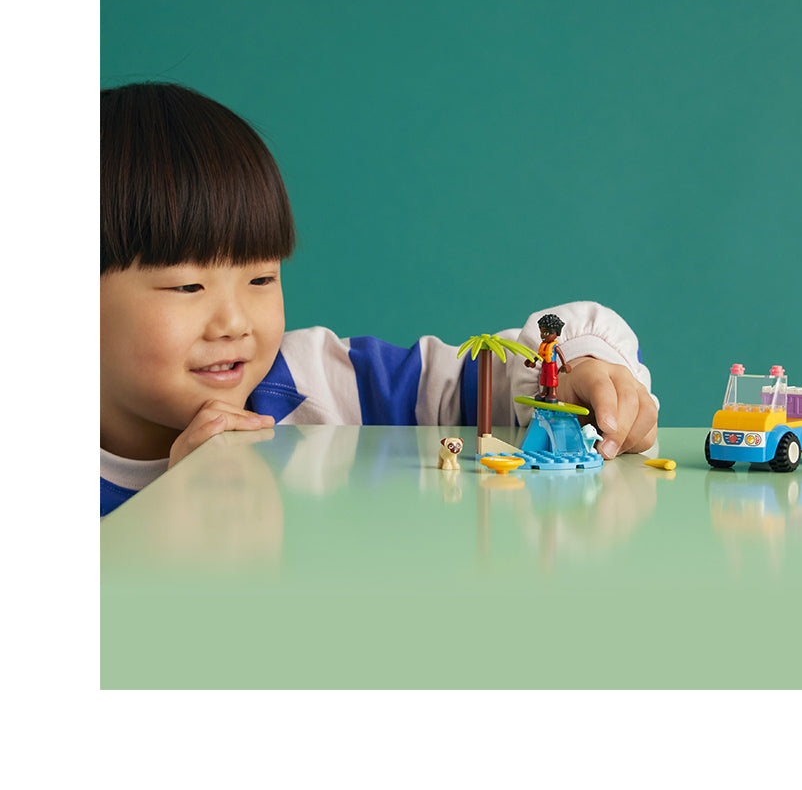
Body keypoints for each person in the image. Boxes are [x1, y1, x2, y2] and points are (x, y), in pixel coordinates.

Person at [100, 82, 659, 516]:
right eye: (187, 286)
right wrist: (171, 506)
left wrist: (580, 372)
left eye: (262, 279)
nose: (234, 321)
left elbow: (484, 382)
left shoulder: (313, 385)